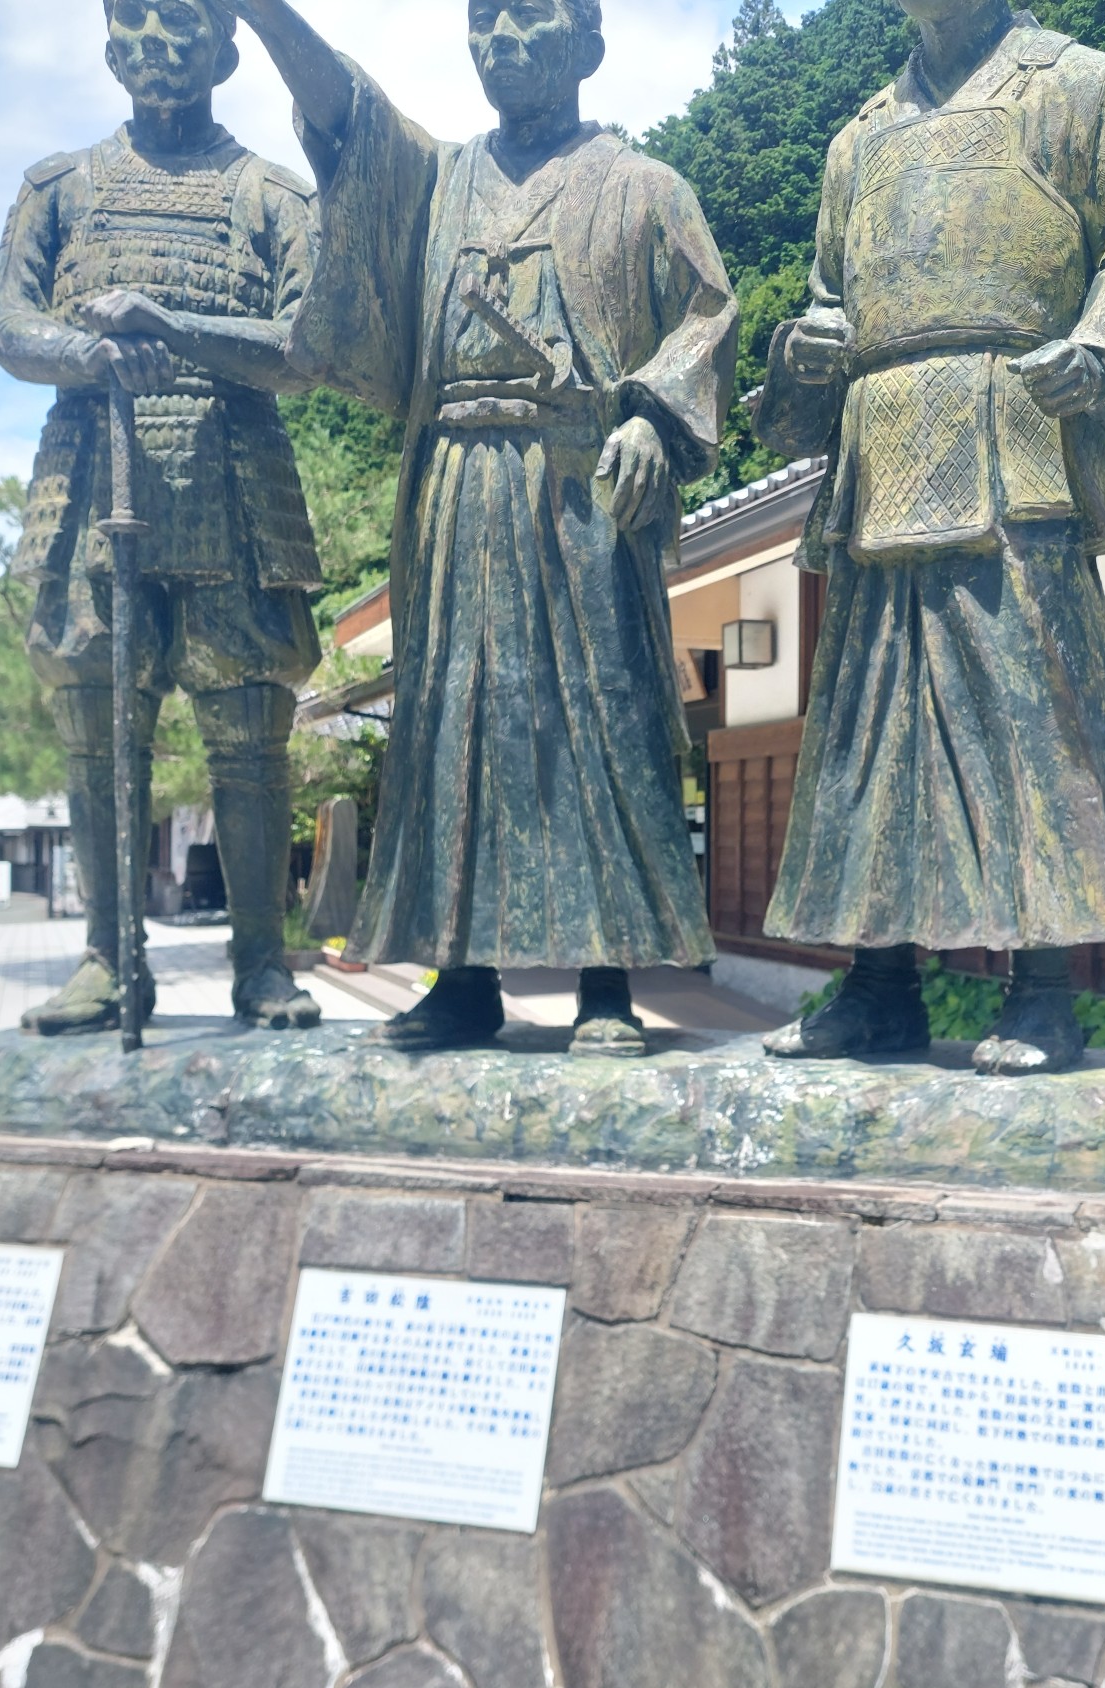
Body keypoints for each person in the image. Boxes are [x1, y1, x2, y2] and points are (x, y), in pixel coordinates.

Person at [226, 0, 736, 1055]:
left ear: (588, 44)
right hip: (454, 484)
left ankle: (605, 978)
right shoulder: (436, 182)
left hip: (580, 486)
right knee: (454, 721)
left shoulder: (645, 186)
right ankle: (460, 977)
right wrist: (265, 15)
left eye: (529, 13)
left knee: (598, 718)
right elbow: (350, 116)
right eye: (483, 16)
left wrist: (651, 416)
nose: (500, 35)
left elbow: (706, 317)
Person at [753, 0, 1105, 1075]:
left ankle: (1041, 993)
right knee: (869, 730)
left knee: (1031, 718)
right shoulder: (857, 138)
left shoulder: (1080, 86)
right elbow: (825, 296)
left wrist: (1101, 356)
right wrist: (804, 347)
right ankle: (877, 987)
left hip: (1012, 434)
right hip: (878, 456)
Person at [0, 0, 326, 1036]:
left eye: (179, 19)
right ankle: (108, 958)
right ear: (107, 48)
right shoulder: (59, 189)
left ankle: (261, 963)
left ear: (225, 48)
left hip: (236, 484)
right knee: (97, 728)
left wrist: (174, 328)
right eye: (132, 17)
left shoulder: (272, 195)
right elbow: (7, 321)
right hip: (93, 474)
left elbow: (307, 348)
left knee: (249, 735)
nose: (154, 41)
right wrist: (86, 353)